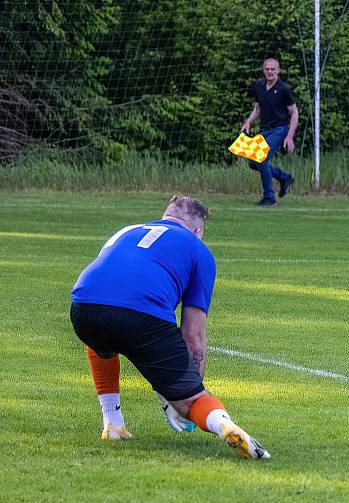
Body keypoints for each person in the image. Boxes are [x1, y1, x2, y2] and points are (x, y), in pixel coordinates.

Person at [70, 195, 269, 459]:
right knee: (192, 401)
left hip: (84, 308)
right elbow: (193, 335)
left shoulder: (126, 230)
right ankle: (224, 424)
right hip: (141, 317)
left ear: (166, 216)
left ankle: (113, 424)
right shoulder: (199, 251)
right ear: (198, 231)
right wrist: (185, 392)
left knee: (101, 344)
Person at [242, 57, 298, 207]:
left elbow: (294, 112)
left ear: (278, 71)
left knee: (262, 158)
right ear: (263, 70)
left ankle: (269, 198)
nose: (270, 72)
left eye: (273, 69)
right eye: (267, 69)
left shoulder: (284, 89)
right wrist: (248, 122)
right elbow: (257, 108)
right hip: (264, 130)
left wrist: (290, 136)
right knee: (253, 163)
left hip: (279, 129)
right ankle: (285, 177)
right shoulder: (259, 86)